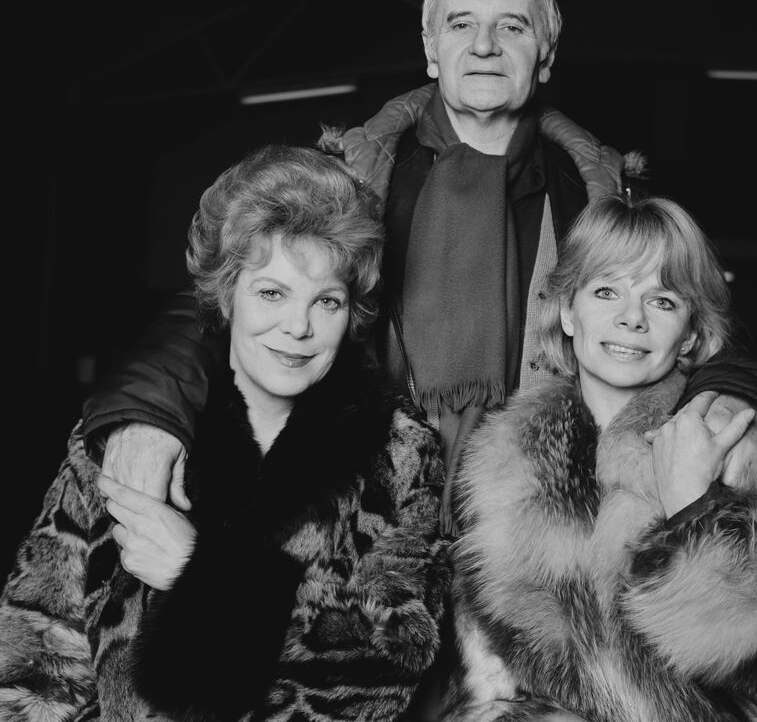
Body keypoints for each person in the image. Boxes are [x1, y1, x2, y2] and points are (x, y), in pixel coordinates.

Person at [79, 0, 757, 538]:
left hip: (542, 527)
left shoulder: (600, 199)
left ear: (545, 55)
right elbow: (216, 303)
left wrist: (730, 406)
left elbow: (716, 332)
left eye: (512, 26)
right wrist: (147, 411)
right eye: (461, 24)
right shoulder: (346, 185)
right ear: (430, 47)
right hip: (360, 522)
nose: (483, 45)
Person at [0, 145, 451, 721]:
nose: (298, 327)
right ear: (226, 293)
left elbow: (394, 659)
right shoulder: (130, 439)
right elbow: (34, 658)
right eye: (272, 293)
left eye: (327, 302)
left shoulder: (402, 453)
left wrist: (204, 574)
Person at [442, 193, 757, 722]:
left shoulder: (750, 454)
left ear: (691, 337)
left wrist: (693, 508)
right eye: (606, 290)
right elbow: (493, 688)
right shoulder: (498, 471)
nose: (631, 318)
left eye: (662, 301)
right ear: (567, 311)